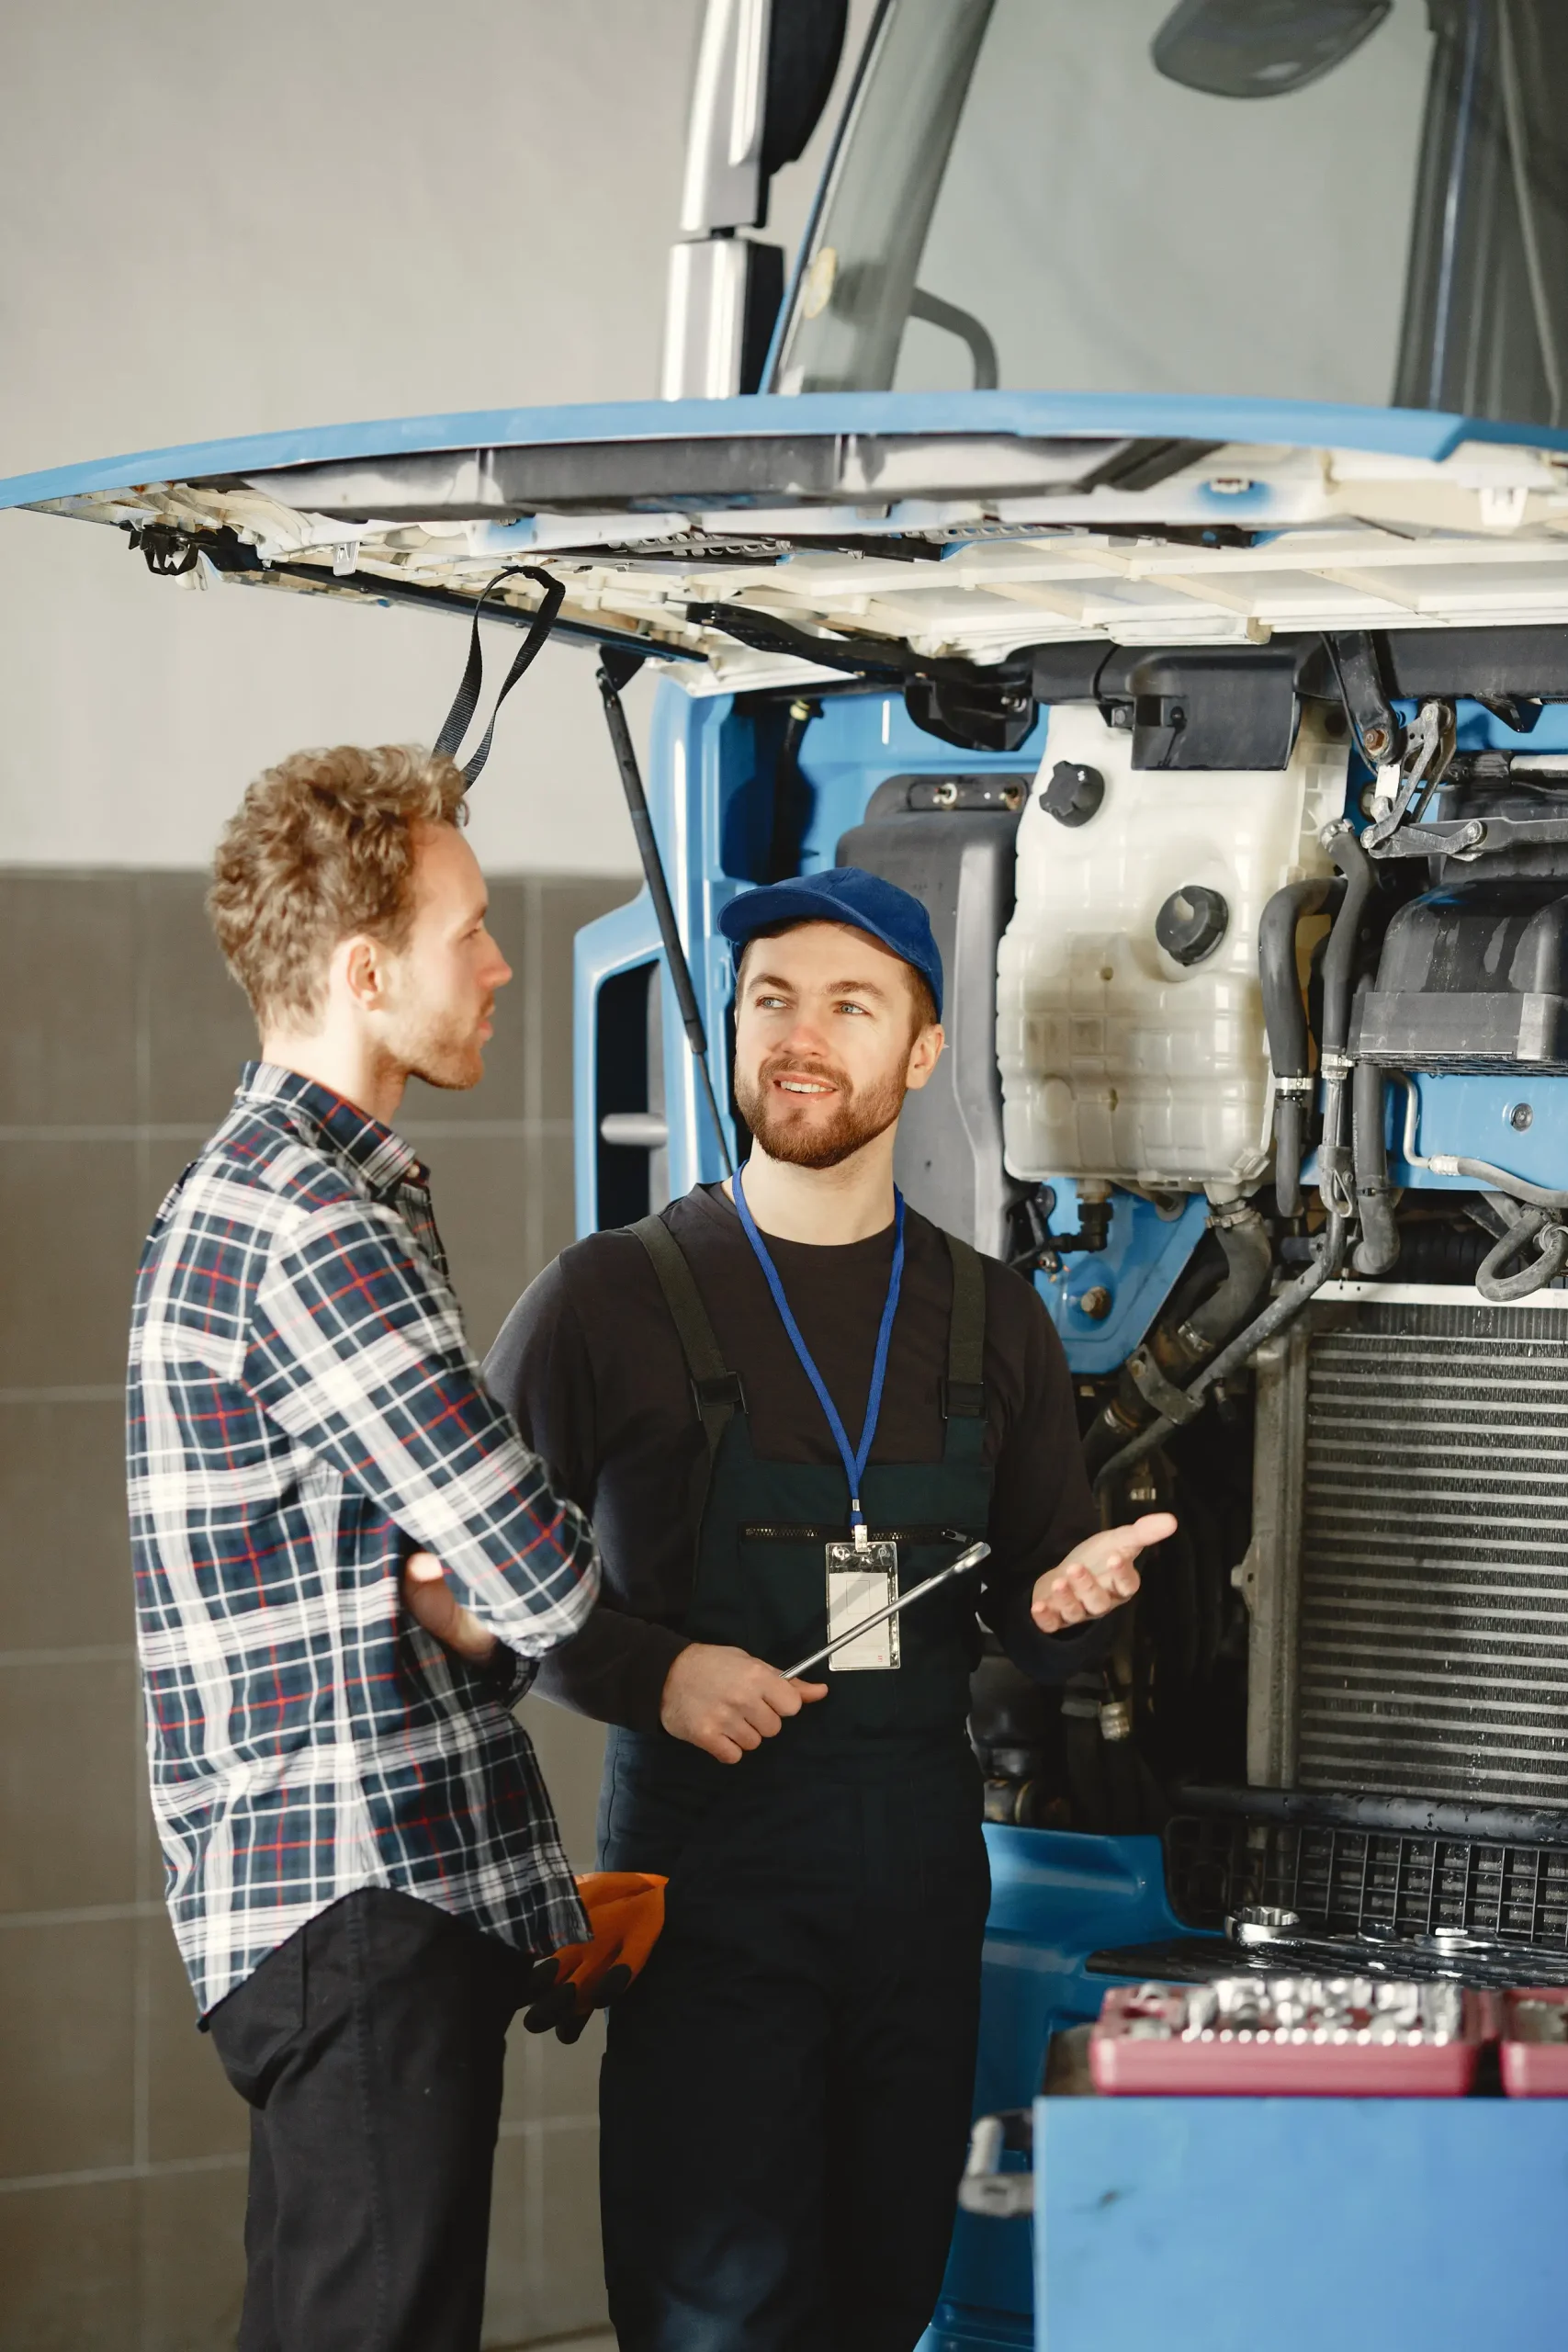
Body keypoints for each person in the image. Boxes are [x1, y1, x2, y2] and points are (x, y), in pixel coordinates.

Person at [485, 865, 1175, 2352]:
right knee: (714, 2307)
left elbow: (1036, 1605)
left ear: (920, 1054)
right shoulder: (605, 1298)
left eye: (848, 1006)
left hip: (919, 1881)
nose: (799, 1037)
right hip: (708, 1882)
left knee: (884, 2294)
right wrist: (650, 1674)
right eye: (771, 1001)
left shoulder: (991, 1314)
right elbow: (470, 1583)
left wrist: (1074, 1598)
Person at [127, 744, 607, 2352]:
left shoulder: (277, 1193)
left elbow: (457, 1574)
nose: (499, 960)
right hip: (357, 1903)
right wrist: (526, 1597)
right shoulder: (309, 1225)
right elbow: (531, 1565)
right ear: (359, 970)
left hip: (336, 1904)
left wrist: (463, 1597)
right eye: (466, 929)